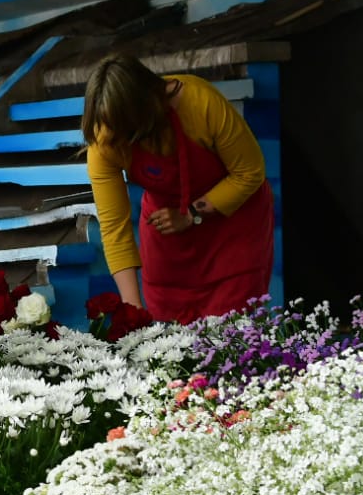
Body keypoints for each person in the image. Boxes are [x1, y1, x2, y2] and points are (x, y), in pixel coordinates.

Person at [83, 54, 274, 323]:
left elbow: (250, 171)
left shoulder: (199, 102)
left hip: (233, 234)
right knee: (171, 343)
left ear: (147, 107)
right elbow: (115, 229)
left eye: (128, 131)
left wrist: (191, 214)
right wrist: (133, 312)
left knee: (231, 339)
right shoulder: (104, 141)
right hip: (168, 242)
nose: (117, 139)